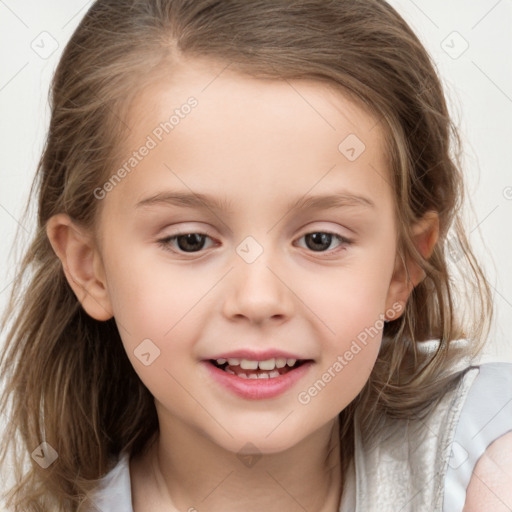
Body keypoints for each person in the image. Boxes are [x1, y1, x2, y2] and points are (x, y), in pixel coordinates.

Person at [1, 1, 511, 511]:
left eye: (320, 240)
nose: (259, 298)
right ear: (90, 268)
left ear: (402, 267)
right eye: (190, 241)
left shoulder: (484, 463)